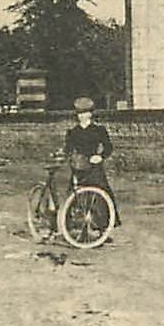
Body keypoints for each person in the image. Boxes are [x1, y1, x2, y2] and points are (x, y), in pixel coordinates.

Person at [64, 97, 121, 228]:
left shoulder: (99, 130)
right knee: (72, 194)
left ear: (90, 114)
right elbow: (68, 149)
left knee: (102, 192)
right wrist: (69, 156)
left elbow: (108, 147)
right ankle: (71, 224)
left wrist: (100, 156)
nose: (82, 116)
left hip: (94, 168)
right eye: (79, 113)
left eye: (85, 113)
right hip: (79, 167)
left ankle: (103, 225)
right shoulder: (73, 132)